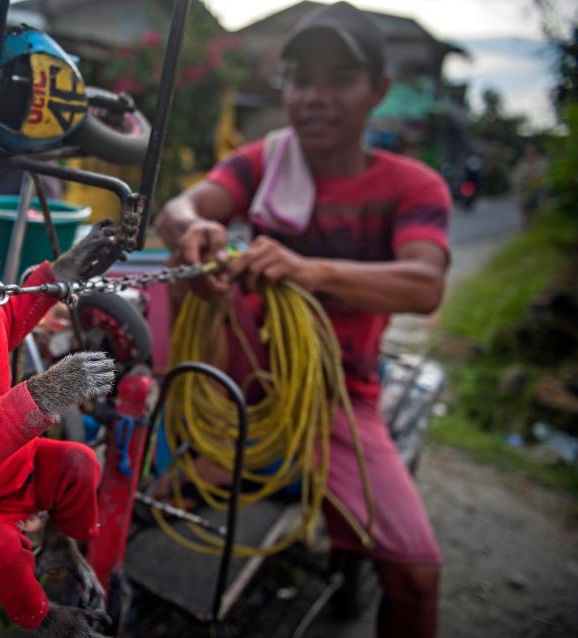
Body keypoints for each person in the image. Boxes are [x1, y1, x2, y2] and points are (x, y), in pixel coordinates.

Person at [154, 3, 448, 637]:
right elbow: (179, 207)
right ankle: (220, 453)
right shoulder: (264, 161)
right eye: (301, 78)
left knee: (417, 577)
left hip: (333, 397)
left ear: (378, 91)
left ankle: (239, 461)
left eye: (338, 79)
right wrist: (196, 228)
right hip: (237, 388)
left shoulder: (412, 186)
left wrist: (309, 270)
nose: (315, 96)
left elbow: (424, 285)